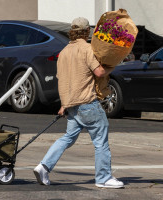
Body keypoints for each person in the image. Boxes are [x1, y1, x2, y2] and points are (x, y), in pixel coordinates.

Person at [33, 17, 124, 189]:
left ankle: (43, 166)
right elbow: (99, 72)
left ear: (72, 31)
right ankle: (103, 178)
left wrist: (63, 105)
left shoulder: (64, 52)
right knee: (100, 141)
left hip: (72, 105)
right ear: (86, 31)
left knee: (67, 138)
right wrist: (114, 64)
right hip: (87, 102)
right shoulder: (86, 49)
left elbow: (64, 80)